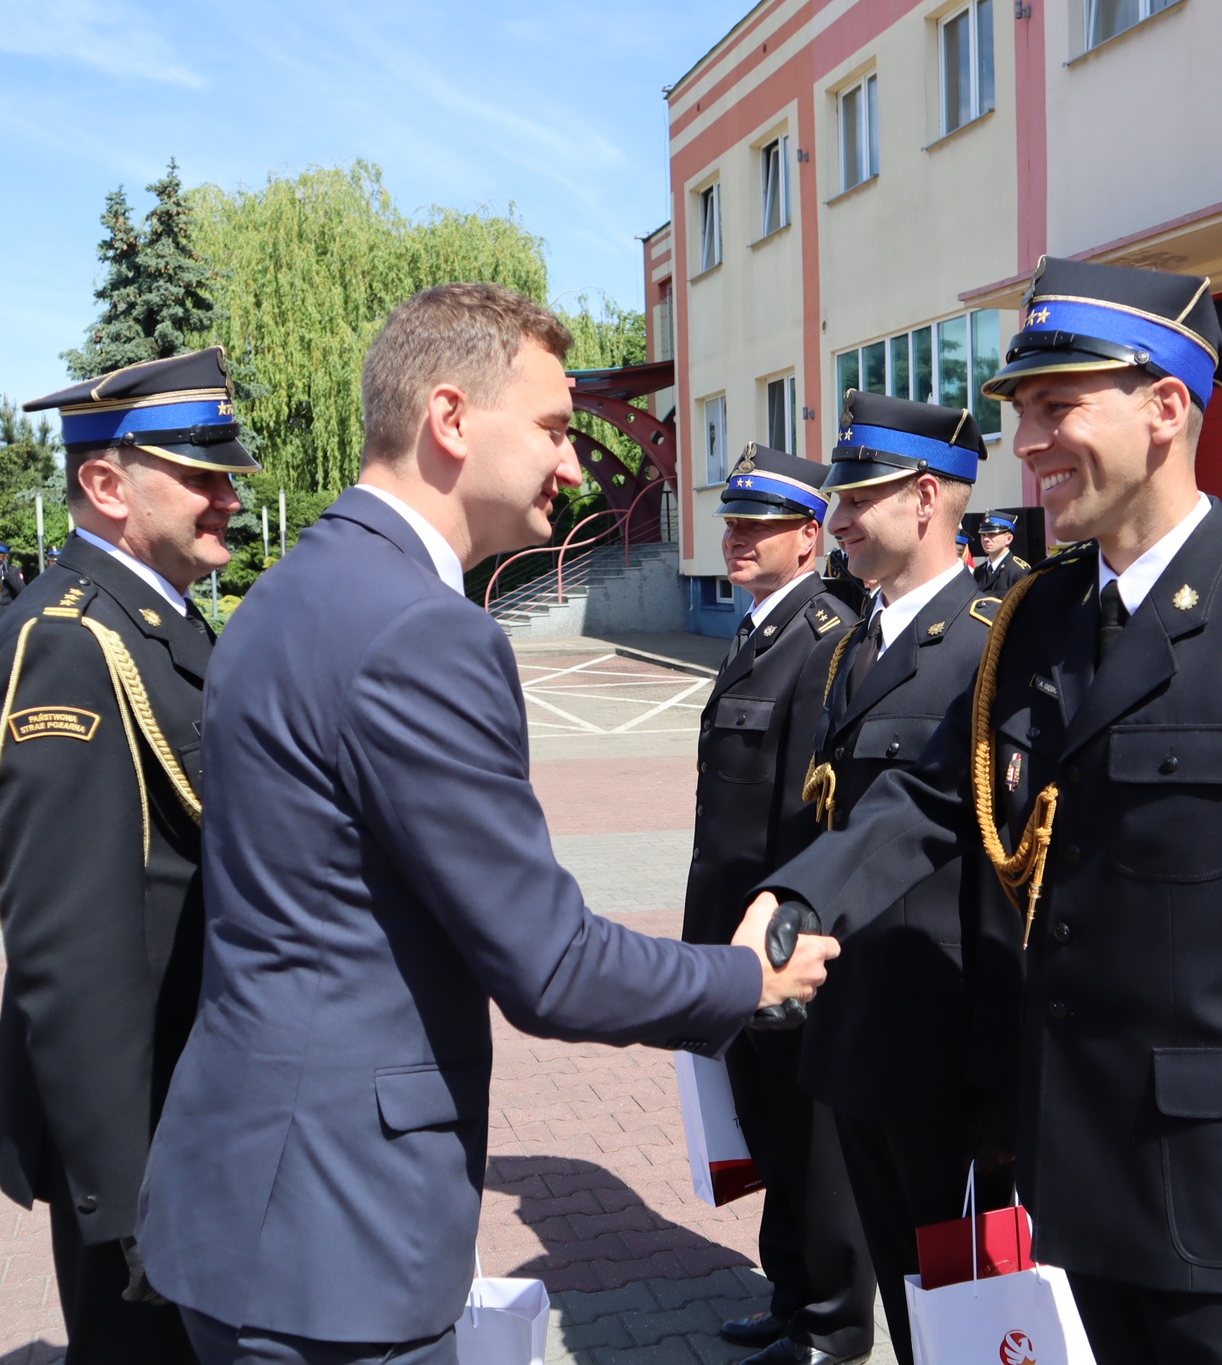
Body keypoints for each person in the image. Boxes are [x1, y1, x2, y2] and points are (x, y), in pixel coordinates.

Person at [749, 257, 1222, 1365]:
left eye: (1055, 405)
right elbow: (935, 792)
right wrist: (798, 894)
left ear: (1166, 406)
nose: (1025, 442)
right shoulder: (1039, 616)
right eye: (1020, 411)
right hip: (1071, 1171)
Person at [135, 283, 839, 1365]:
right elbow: (548, 967)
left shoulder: (288, 590)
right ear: (451, 421)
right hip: (338, 1240)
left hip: (248, 1201)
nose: (570, 464)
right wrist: (748, 982)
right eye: (555, 429)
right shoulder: (422, 631)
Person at [0, 345, 258, 1363]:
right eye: (200, 476)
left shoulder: (161, 623)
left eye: (225, 475)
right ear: (104, 484)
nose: (226, 497)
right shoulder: (70, 642)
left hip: (190, 1100)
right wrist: (119, 1197)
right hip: (137, 1133)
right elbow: (70, 940)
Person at [795, 390, 1012, 1365]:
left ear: (926, 499)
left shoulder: (992, 642)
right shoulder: (857, 641)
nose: (833, 518)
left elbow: (1009, 882)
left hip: (946, 1063)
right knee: (907, 1303)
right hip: (857, 1038)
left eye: (856, 497)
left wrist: (1000, 1086)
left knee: (972, 1319)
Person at [687, 445, 872, 1365]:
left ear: (809, 537)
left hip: (779, 944)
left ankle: (833, 1325)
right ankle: (791, 1292)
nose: (737, 539)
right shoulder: (760, 630)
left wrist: (780, 943)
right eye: (733, 522)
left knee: (809, 1140)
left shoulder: (826, 638)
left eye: (758, 525)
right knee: (765, 1125)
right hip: (733, 939)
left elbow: (808, 818)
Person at [971, 511, 1031, 595]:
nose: (985, 539)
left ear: (1008, 539)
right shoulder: (978, 572)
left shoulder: (1019, 571)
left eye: (992, 534)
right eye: (983, 535)